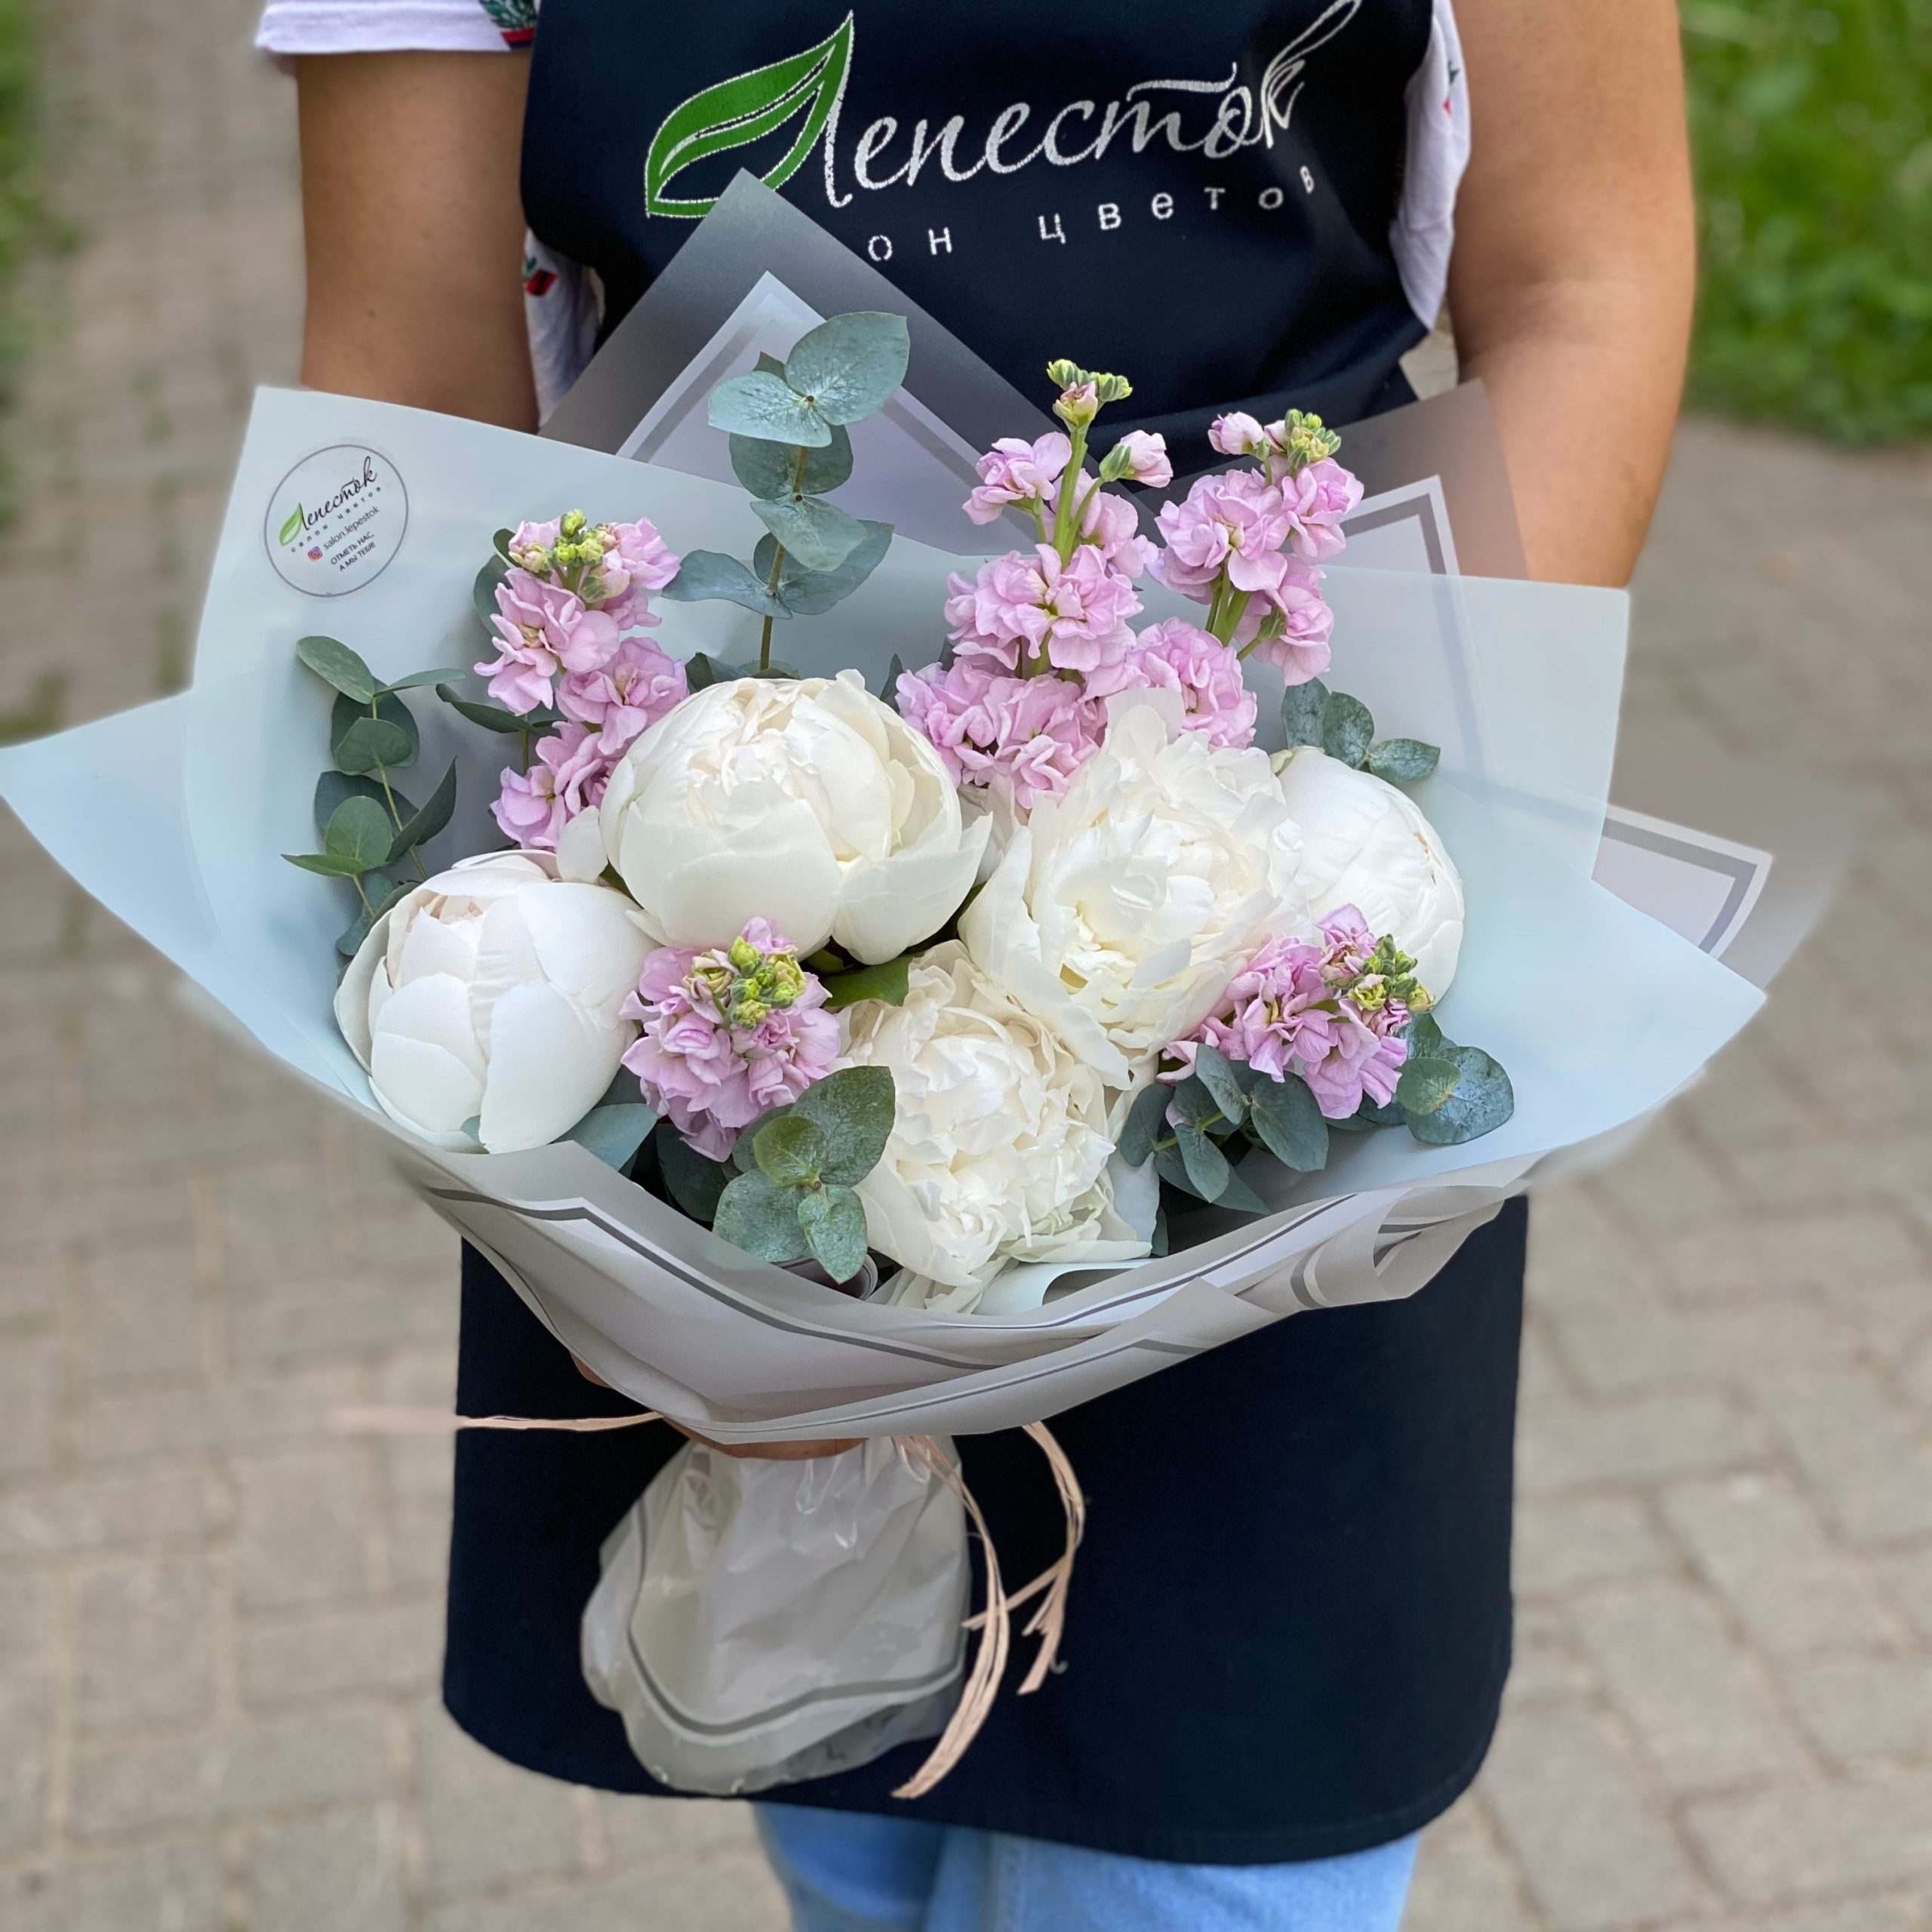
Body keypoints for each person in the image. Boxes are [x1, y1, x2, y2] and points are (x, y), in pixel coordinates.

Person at [265, 2, 1694, 1925]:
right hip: (726, 997)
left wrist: (1331, 874)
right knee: (849, 1820)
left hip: (1267, 983)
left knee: (1227, 1825)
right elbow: (411, 380)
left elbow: (1580, 275)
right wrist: (569, 1084)